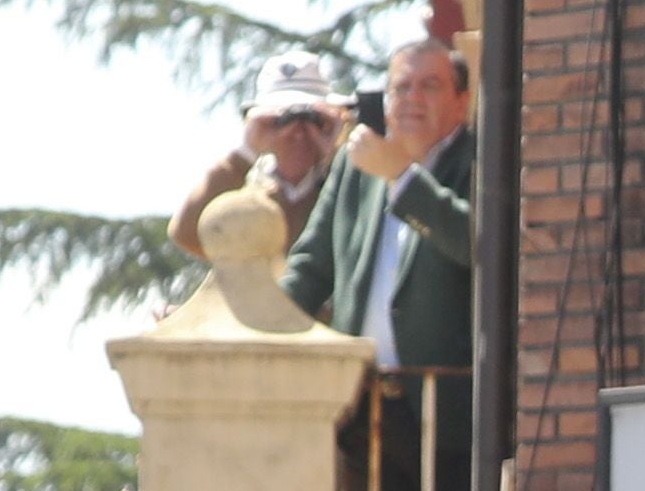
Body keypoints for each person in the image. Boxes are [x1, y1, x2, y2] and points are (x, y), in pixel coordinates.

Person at [284, 36, 478, 371]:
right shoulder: (356, 164)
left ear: (462, 101)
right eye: (400, 88)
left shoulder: (482, 160)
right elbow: (311, 268)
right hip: (361, 398)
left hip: (444, 403)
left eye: (430, 86)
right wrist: (256, 322)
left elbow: (478, 245)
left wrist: (402, 179)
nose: (412, 98)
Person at [176, 55, 352, 255]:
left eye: (313, 119)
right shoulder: (245, 194)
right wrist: (246, 153)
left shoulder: (342, 186)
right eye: (282, 119)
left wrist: (338, 157)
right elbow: (187, 233)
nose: (298, 131)